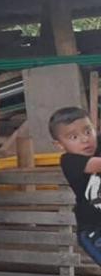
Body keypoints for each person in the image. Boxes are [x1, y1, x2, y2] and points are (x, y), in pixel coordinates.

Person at [49, 107, 101, 265]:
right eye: (73, 137)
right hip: (94, 231)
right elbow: (96, 165)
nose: (85, 139)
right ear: (59, 144)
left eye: (88, 132)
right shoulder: (69, 161)